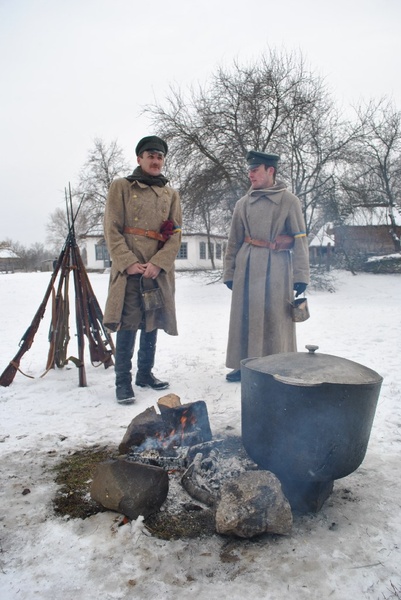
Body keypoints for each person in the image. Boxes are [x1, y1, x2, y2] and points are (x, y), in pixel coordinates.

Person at [103, 135, 182, 404]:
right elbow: (111, 230)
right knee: (129, 324)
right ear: (139, 159)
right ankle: (122, 382)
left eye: (159, 157)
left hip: (155, 270)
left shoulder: (171, 194)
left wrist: (159, 264)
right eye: (150, 156)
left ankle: (145, 374)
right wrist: (128, 262)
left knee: (152, 323)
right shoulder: (121, 187)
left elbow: (176, 235)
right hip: (130, 270)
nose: (155, 161)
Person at [223, 150, 310, 382]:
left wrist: (301, 276)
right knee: (244, 316)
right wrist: (229, 272)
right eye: (249, 170)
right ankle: (244, 364)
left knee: (275, 318)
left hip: (277, 269)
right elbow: (233, 241)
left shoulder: (289, 201)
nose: (250, 175)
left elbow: (300, 238)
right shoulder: (243, 204)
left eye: (255, 170)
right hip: (247, 267)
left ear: (270, 171)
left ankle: (278, 365)